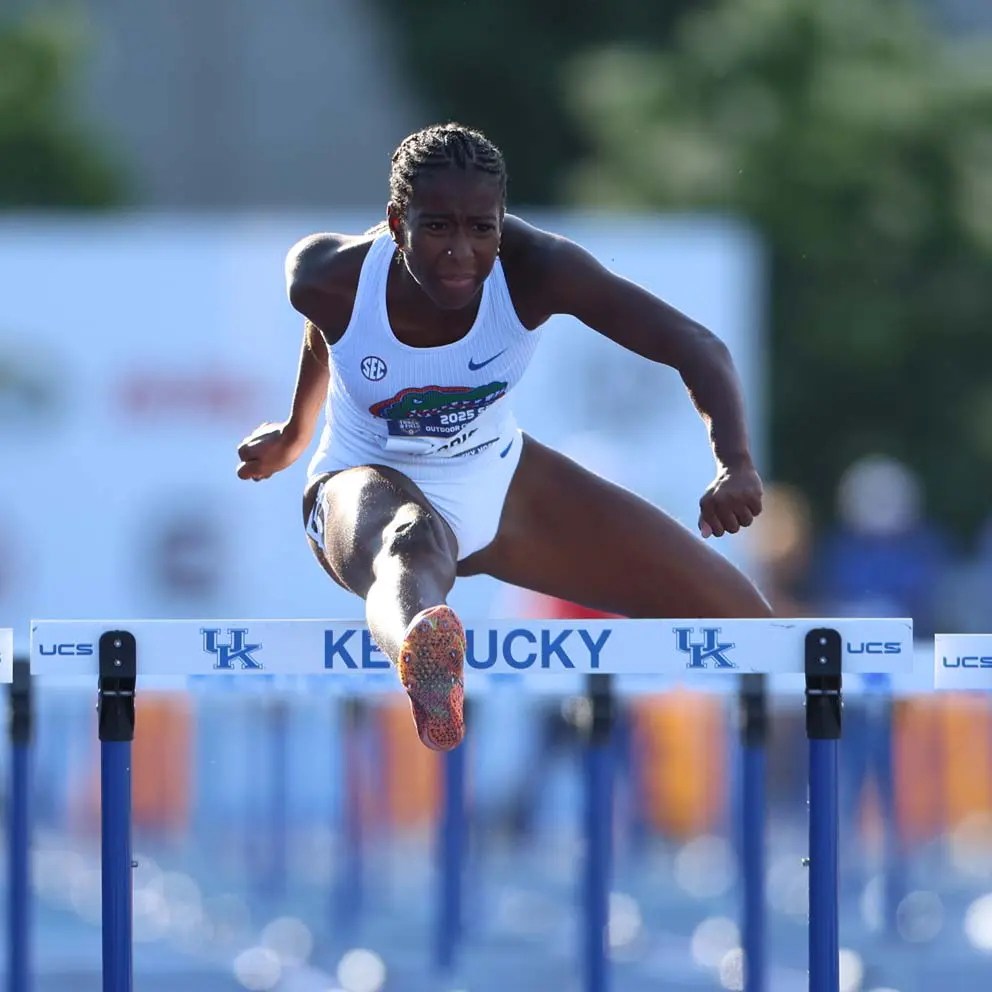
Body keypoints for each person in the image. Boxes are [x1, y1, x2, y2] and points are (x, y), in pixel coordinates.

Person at [236, 123, 772, 752]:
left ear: (501, 222)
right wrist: (298, 435)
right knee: (411, 539)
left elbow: (694, 344)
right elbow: (327, 331)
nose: (460, 253)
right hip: (361, 480)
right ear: (395, 219)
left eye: (480, 229)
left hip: (495, 475)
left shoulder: (539, 268)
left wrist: (734, 462)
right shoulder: (326, 275)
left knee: (748, 625)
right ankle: (426, 662)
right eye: (436, 227)